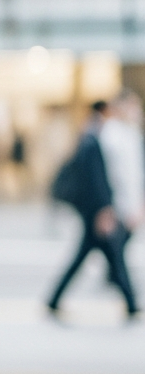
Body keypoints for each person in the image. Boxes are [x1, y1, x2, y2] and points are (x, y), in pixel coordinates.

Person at [47, 96, 138, 318]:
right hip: (96, 211)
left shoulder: (91, 137)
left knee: (96, 254)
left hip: (95, 210)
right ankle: (131, 302)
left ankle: (55, 299)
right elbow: (97, 179)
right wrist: (104, 208)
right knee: (112, 254)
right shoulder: (93, 139)